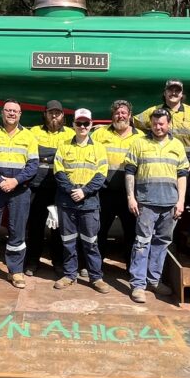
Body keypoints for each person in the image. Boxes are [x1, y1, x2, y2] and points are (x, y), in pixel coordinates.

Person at [123, 108, 188, 304]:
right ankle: (138, 285)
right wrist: (131, 198)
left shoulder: (177, 145)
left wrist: (181, 201)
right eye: (155, 123)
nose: (158, 127)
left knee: (162, 243)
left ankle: (154, 280)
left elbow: (182, 175)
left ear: (168, 125)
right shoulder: (139, 143)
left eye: (162, 124)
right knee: (142, 243)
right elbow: (129, 172)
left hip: (170, 204)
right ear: (150, 124)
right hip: (146, 203)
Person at [135, 79, 190, 247]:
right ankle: (162, 233)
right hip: (162, 161)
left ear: (182, 94)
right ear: (165, 92)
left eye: (177, 90)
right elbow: (133, 123)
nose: (174, 93)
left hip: (189, 162)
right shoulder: (154, 111)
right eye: (171, 90)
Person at [0, 99, 39, 289]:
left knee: (17, 230)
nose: (12, 114)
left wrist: (15, 181)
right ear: (2, 113)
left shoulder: (29, 136)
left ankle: (16, 271)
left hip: (19, 189)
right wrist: (0, 181)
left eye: (15, 111)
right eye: (8, 110)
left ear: (20, 115)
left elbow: (33, 165)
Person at [53, 109, 110, 292]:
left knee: (91, 241)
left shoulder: (99, 148)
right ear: (73, 125)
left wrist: (84, 191)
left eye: (86, 123)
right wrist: (72, 190)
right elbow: (58, 171)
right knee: (68, 241)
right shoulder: (64, 146)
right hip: (67, 201)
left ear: (91, 125)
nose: (83, 126)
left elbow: (101, 174)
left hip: (89, 201)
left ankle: (96, 277)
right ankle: (70, 275)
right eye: (79, 123)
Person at [25, 100, 74, 276]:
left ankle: (58, 262)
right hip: (36, 188)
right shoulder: (33, 132)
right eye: (51, 112)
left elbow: (71, 155)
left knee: (57, 227)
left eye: (58, 113)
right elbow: (29, 154)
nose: (54, 116)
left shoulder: (71, 133)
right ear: (44, 114)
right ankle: (32, 262)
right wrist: (54, 155)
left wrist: (44, 155)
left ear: (63, 115)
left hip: (59, 190)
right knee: (35, 227)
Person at [93, 99, 141, 264]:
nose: (120, 116)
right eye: (117, 113)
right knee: (100, 230)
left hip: (130, 194)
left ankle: (130, 266)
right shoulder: (99, 134)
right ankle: (95, 267)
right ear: (112, 115)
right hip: (104, 192)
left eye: (123, 113)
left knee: (131, 231)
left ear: (130, 115)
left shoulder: (140, 137)